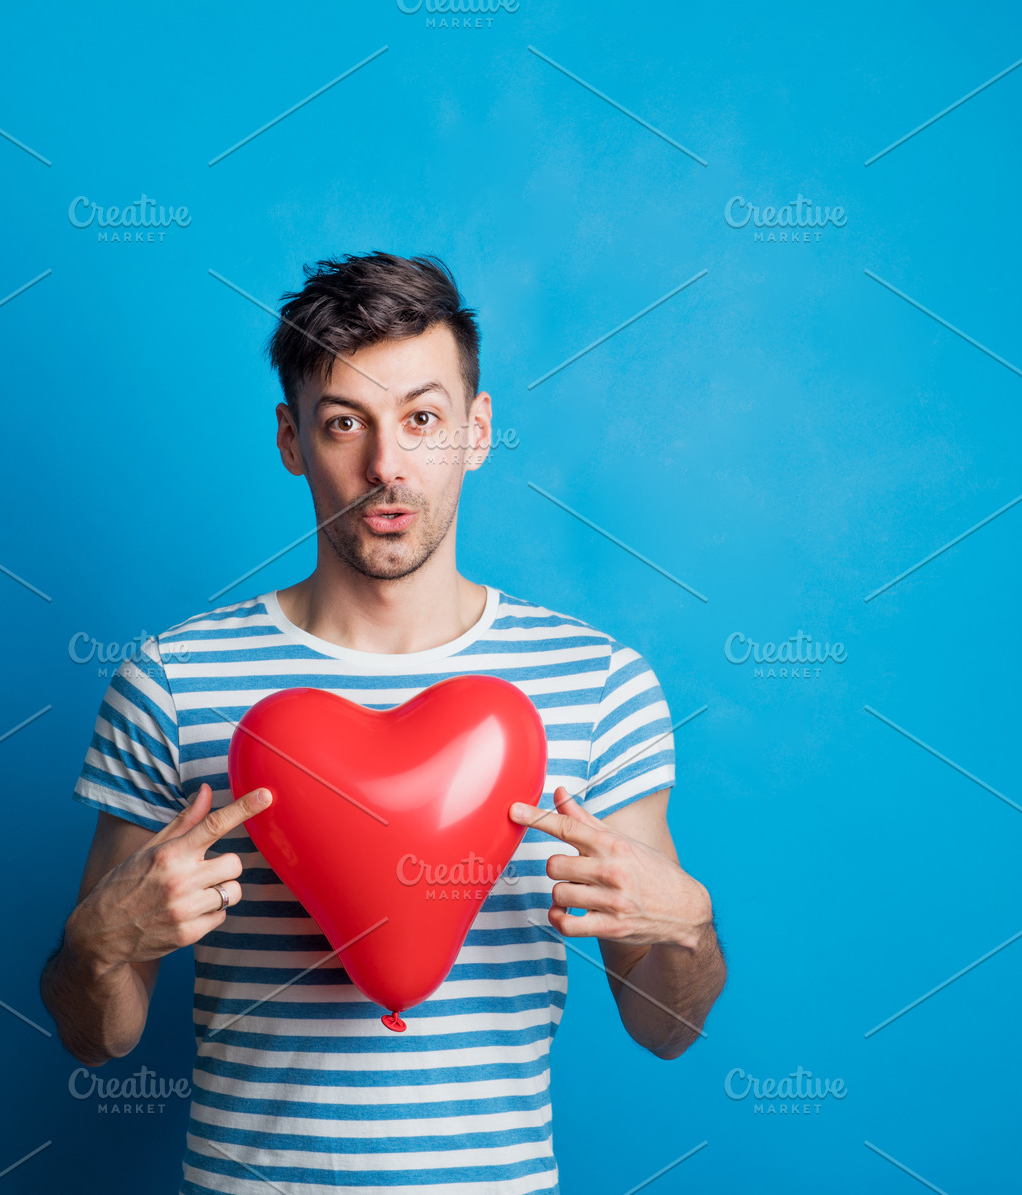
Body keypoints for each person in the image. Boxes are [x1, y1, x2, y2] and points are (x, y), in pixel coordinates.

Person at [41, 252, 725, 1194]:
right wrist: (96, 943)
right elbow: (99, 1036)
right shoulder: (172, 681)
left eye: (423, 419)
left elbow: (666, 1028)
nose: (386, 465)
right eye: (343, 423)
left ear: (477, 432)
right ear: (291, 440)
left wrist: (690, 925)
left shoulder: (600, 682)